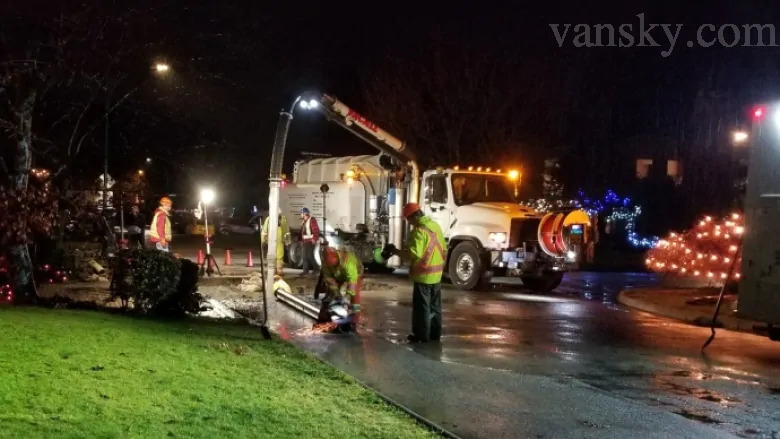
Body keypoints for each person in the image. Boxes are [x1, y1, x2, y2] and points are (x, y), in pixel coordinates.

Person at [385, 203, 446, 343]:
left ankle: (421, 336)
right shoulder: (435, 226)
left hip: (424, 276)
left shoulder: (419, 231)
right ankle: (435, 335)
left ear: (413, 216)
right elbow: (444, 248)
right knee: (435, 307)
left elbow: (413, 255)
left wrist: (395, 252)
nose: (409, 223)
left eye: (408, 219)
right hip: (437, 274)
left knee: (422, 308)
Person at [319, 246, 363, 332]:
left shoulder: (349, 262)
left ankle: (355, 320)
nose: (330, 265)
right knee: (332, 296)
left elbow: (352, 282)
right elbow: (329, 279)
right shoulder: (325, 263)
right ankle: (332, 317)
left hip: (355, 273)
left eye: (332, 264)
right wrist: (336, 293)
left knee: (355, 298)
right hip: (338, 275)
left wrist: (348, 295)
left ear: (336, 257)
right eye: (329, 264)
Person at [261, 209, 290, 275]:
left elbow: (286, 231)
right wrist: (264, 240)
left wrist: (287, 241)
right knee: (273, 256)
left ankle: (277, 271)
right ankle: (274, 271)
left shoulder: (282, 219)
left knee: (279, 256)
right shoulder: (269, 219)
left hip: (278, 241)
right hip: (272, 241)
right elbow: (264, 231)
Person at [300, 207, 320, 276]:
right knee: (304, 256)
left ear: (304, 214)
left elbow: (316, 230)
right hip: (305, 241)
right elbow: (303, 232)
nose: (300, 215)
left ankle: (317, 269)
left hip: (310, 241)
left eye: (301, 213)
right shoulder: (305, 221)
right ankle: (305, 271)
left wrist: (314, 239)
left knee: (309, 256)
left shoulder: (312, 220)